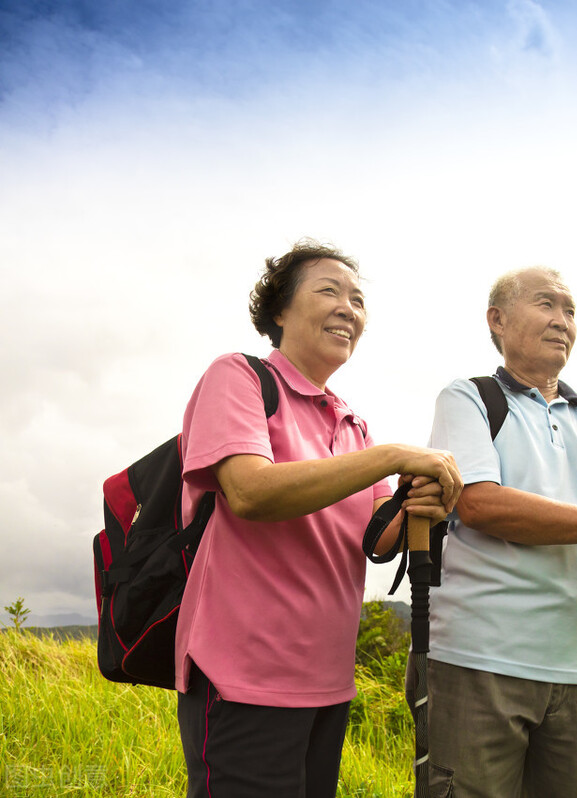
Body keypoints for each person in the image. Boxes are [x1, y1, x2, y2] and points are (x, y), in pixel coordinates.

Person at [174, 240, 463, 798]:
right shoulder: (240, 377)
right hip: (244, 676)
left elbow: (378, 539)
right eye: (328, 291)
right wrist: (393, 457)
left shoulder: (351, 424)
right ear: (279, 311)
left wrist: (422, 501)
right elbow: (249, 491)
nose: (348, 309)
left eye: (357, 300)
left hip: (326, 682)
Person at [417, 265, 577, 797]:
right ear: (497, 319)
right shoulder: (468, 397)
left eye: (570, 310)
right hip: (477, 659)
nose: (562, 320)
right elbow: (480, 502)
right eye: (546, 304)